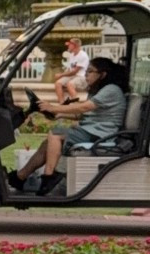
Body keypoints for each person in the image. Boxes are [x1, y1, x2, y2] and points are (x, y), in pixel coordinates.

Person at [9, 56, 128, 195]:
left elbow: (84, 107)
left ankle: (48, 178)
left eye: (90, 71)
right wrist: (60, 114)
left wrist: (53, 107)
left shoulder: (111, 90)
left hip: (101, 134)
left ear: (102, 74)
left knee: (56, 133)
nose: (86, 75)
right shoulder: (98, 90)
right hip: (92, 130)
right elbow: (84, 114)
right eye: (86, 71)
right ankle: (20, 177)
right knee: (47, 144)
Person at [56, 37, 91, 104]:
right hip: (72, 76)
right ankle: (62, 103)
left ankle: (76, 104)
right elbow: (69, 69)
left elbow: (75, 71)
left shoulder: (83, 55)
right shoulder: (71, 55)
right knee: (58, 83)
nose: (68, 46)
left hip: (81, 76)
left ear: (75, 45)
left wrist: (61, 75)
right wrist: (62, 75)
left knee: (70, 84)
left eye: (69, 45)